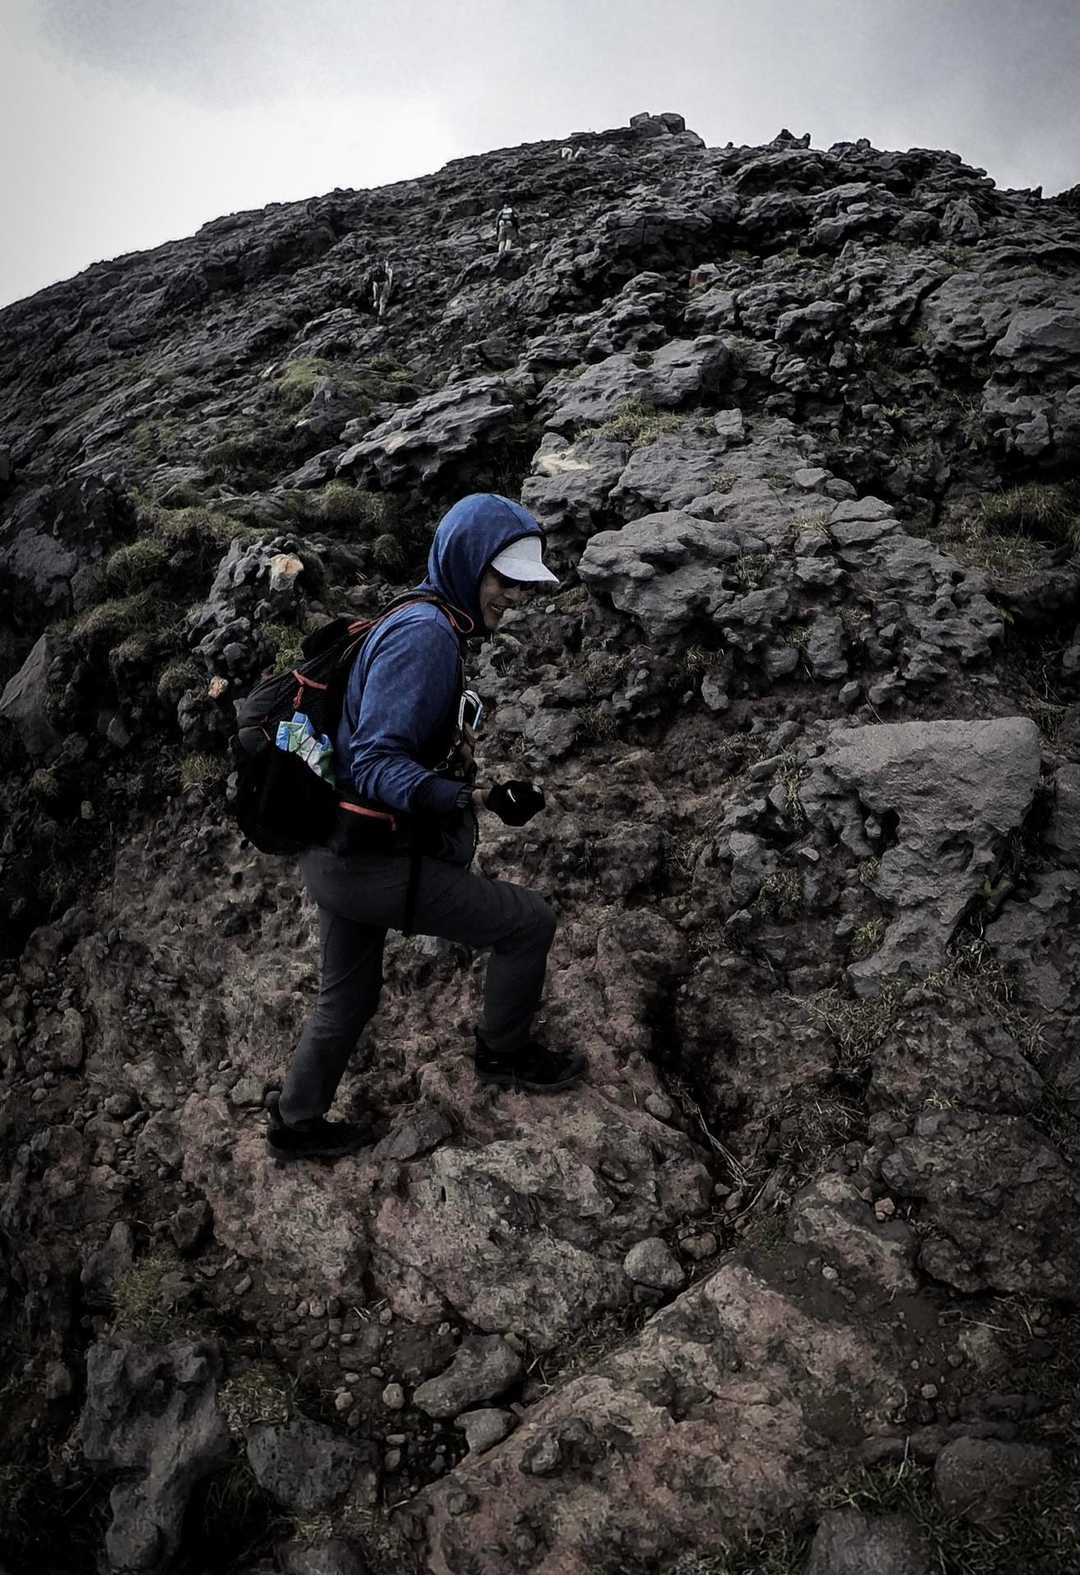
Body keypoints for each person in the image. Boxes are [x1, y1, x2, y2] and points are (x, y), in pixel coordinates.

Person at [267, 494, 586, 1161]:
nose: (516, 596)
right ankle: (504, 1053)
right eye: (505, 579)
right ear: (467, 563)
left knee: (348, 996)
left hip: (335, 850)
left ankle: (296, 1122)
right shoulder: (427, 636)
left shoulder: (416, 612)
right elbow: (376, 762)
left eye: (525, 583)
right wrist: (473, 796)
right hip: (372, 861)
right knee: (528, 923)